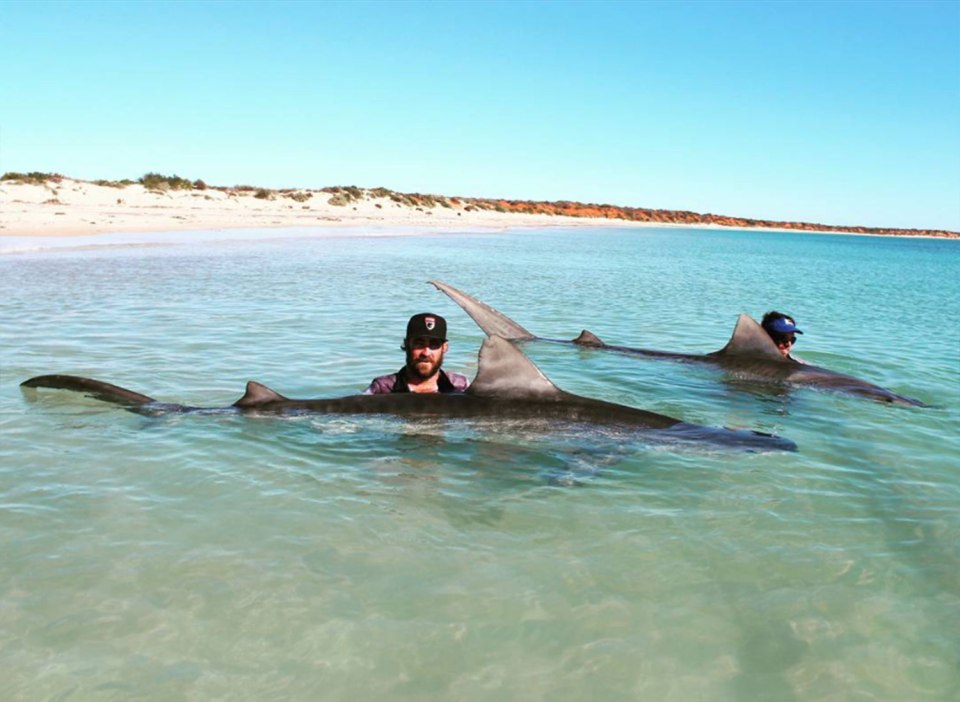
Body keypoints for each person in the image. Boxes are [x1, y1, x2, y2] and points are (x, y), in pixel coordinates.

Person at [364, 313, 470, 394]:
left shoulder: (460, 386)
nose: (426, 353)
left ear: (444, 347)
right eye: (419, 344)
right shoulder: (383, 388)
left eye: (434, 345)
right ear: (406, 344)